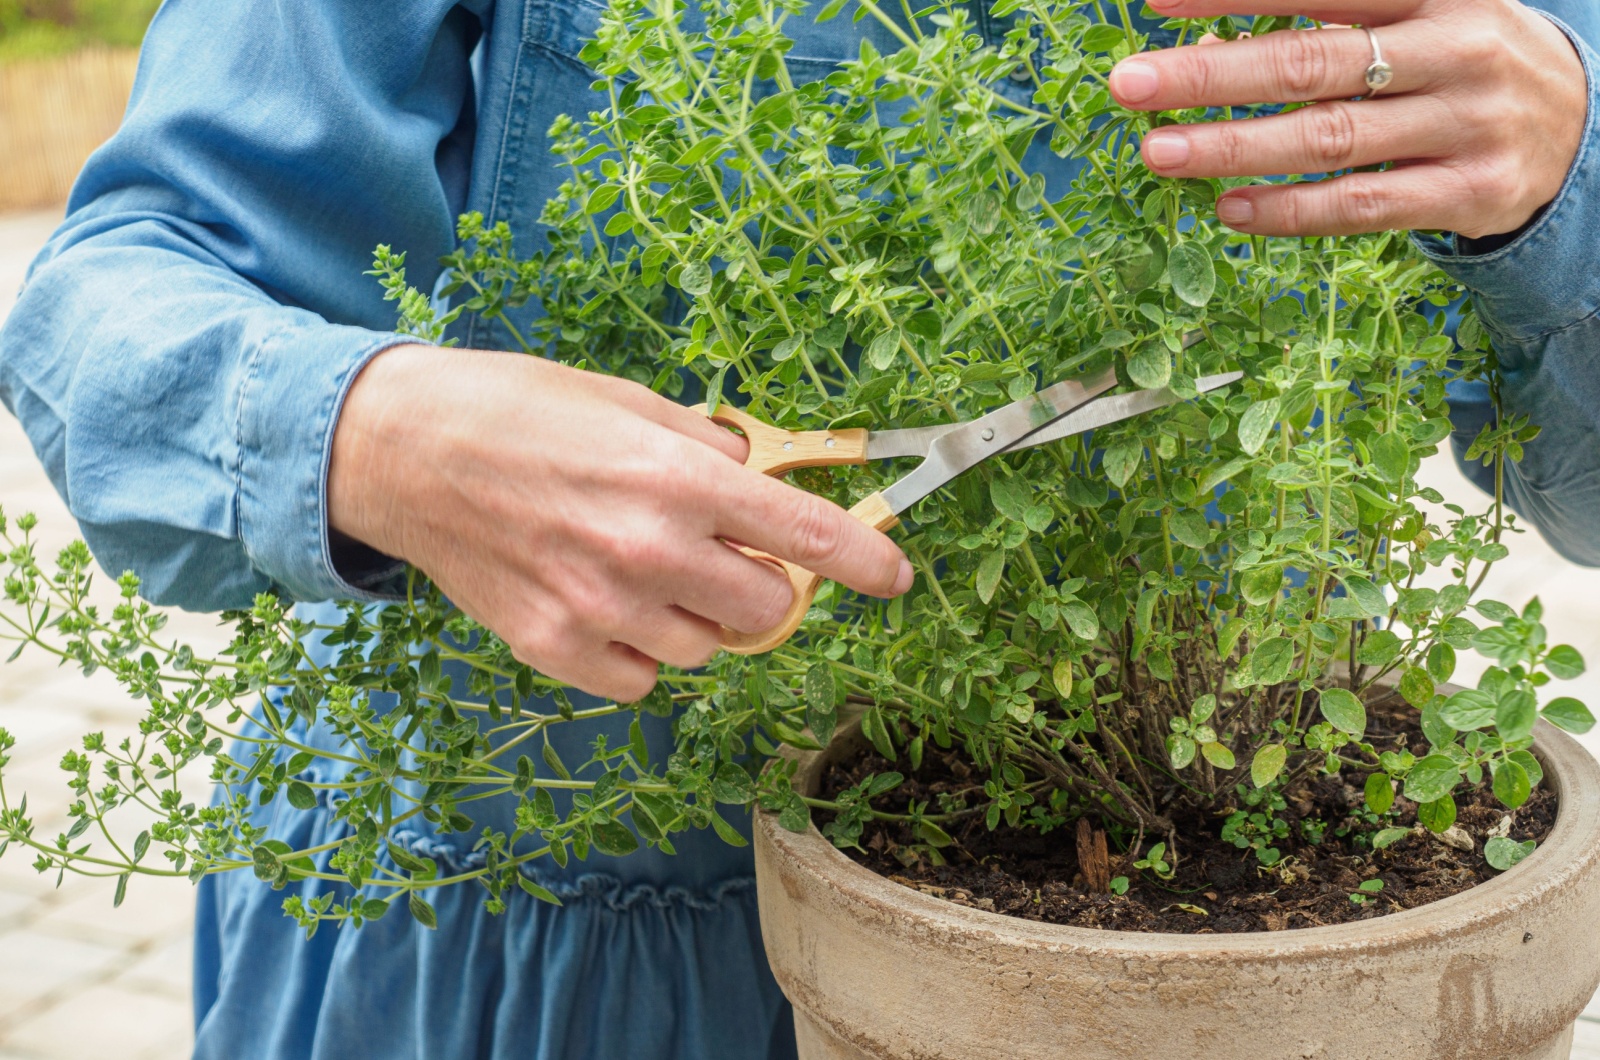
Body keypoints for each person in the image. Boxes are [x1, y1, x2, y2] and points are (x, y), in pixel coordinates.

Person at [0, 0, 1591, 1055]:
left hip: (1166, 984)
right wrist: (379, 431)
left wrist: (1554, 186)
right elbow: (104, 310)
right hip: (521, 968)